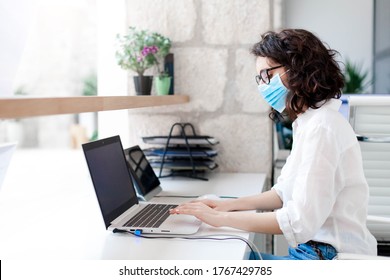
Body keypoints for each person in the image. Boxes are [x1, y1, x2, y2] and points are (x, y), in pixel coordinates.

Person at [170, 29, 377, 260]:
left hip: (327, 259)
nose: (263, 85)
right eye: (259, 79)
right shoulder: (308, 123)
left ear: (298, 68)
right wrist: (225, 206)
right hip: (314, 253)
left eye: (267, 75)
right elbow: (282, 193)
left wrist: (220, 219)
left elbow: (298, 222)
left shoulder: (322, 127)